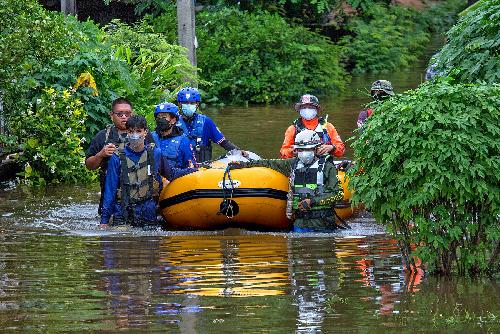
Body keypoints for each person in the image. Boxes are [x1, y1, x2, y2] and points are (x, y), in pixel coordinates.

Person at [230, 129, 344, 232]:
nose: (304, 153)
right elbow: (268, 163)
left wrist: (313, 201)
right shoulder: (293, 164)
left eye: (308, 149)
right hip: (300, 224)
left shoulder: (328, 166)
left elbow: (338, 194)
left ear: (316, 149)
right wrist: (243, 165)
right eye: (300, 150)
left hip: (323, 224)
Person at [99, 116, 196, 228]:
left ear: (145, 132)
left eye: (138, 131)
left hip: (148, 210)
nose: (135, 135)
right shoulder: (117, 158)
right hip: (123, 210)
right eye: (131, 131)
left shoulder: (155, 153)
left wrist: (193, 170)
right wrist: (104, 221)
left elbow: (171, 174)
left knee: (149, 242)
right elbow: (110, 190)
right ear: (127, 133)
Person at [85, 97, 153, 215]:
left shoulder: (145, 135)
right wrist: (101, 155)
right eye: (119, 114)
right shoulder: (103, 136)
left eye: (127, 113)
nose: (124, 117)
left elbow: (156, 162)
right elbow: (89, 165)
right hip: (112, 195)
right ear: (111, 115)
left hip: (141, 196)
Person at [176, 87, 246, 163]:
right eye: (185, 103)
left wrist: (238, 151)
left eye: (192, 103)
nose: (189, 105)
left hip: (202, 167)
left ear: (197, 104)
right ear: (180, 104)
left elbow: (223, 142)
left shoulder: (206, 122)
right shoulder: (174, 123)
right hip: (181, 168)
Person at [280, 94, 344, 159]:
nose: (307, 110)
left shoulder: (328, 127)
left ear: (317, 109)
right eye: (304, 107)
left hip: (323, 164)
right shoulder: (292, 129)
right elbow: (283, 152)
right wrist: (292, 151)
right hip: (299, 165)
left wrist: (332, 148)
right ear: (300, 110)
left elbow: (341, 150)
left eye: (310, 107)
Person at [151, 102, 196, 169]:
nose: (160, 120)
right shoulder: (151, 137)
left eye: (164, 117)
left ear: (173, 120)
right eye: (158, 117)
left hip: (175, 177)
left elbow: (190, 166)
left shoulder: (183, 141)